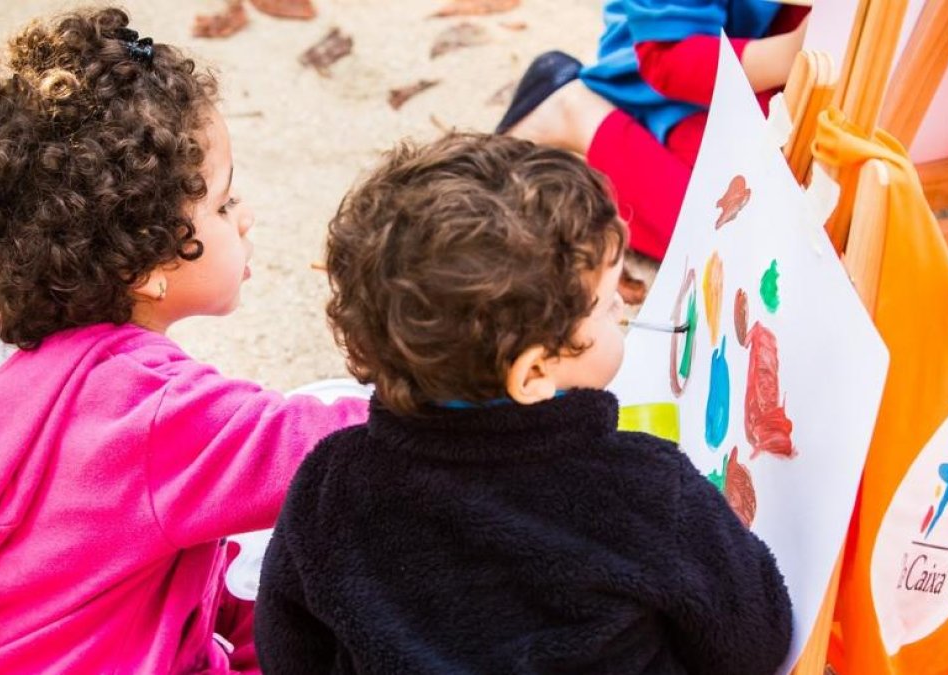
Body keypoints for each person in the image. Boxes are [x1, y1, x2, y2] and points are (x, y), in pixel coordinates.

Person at [0, 7, 365, 672]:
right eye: (222, 204)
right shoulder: (145, 406)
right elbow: (304, 446)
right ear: (148, 267)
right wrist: (429, 394)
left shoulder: (8, 363)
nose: (245, 218)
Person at [254, 133, 793, 674]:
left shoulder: (329, 482)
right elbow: (754, 643)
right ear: (533, 372)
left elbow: (289, 651)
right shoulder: (647, 489)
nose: (625, 316)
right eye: (607, 307)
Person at [498, 1, 809, 273]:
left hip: (772, 70)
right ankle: (575, 112)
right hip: (666, 84)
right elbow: (667, 59)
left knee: (805, 212)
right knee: (741, 240)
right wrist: (792, 53)